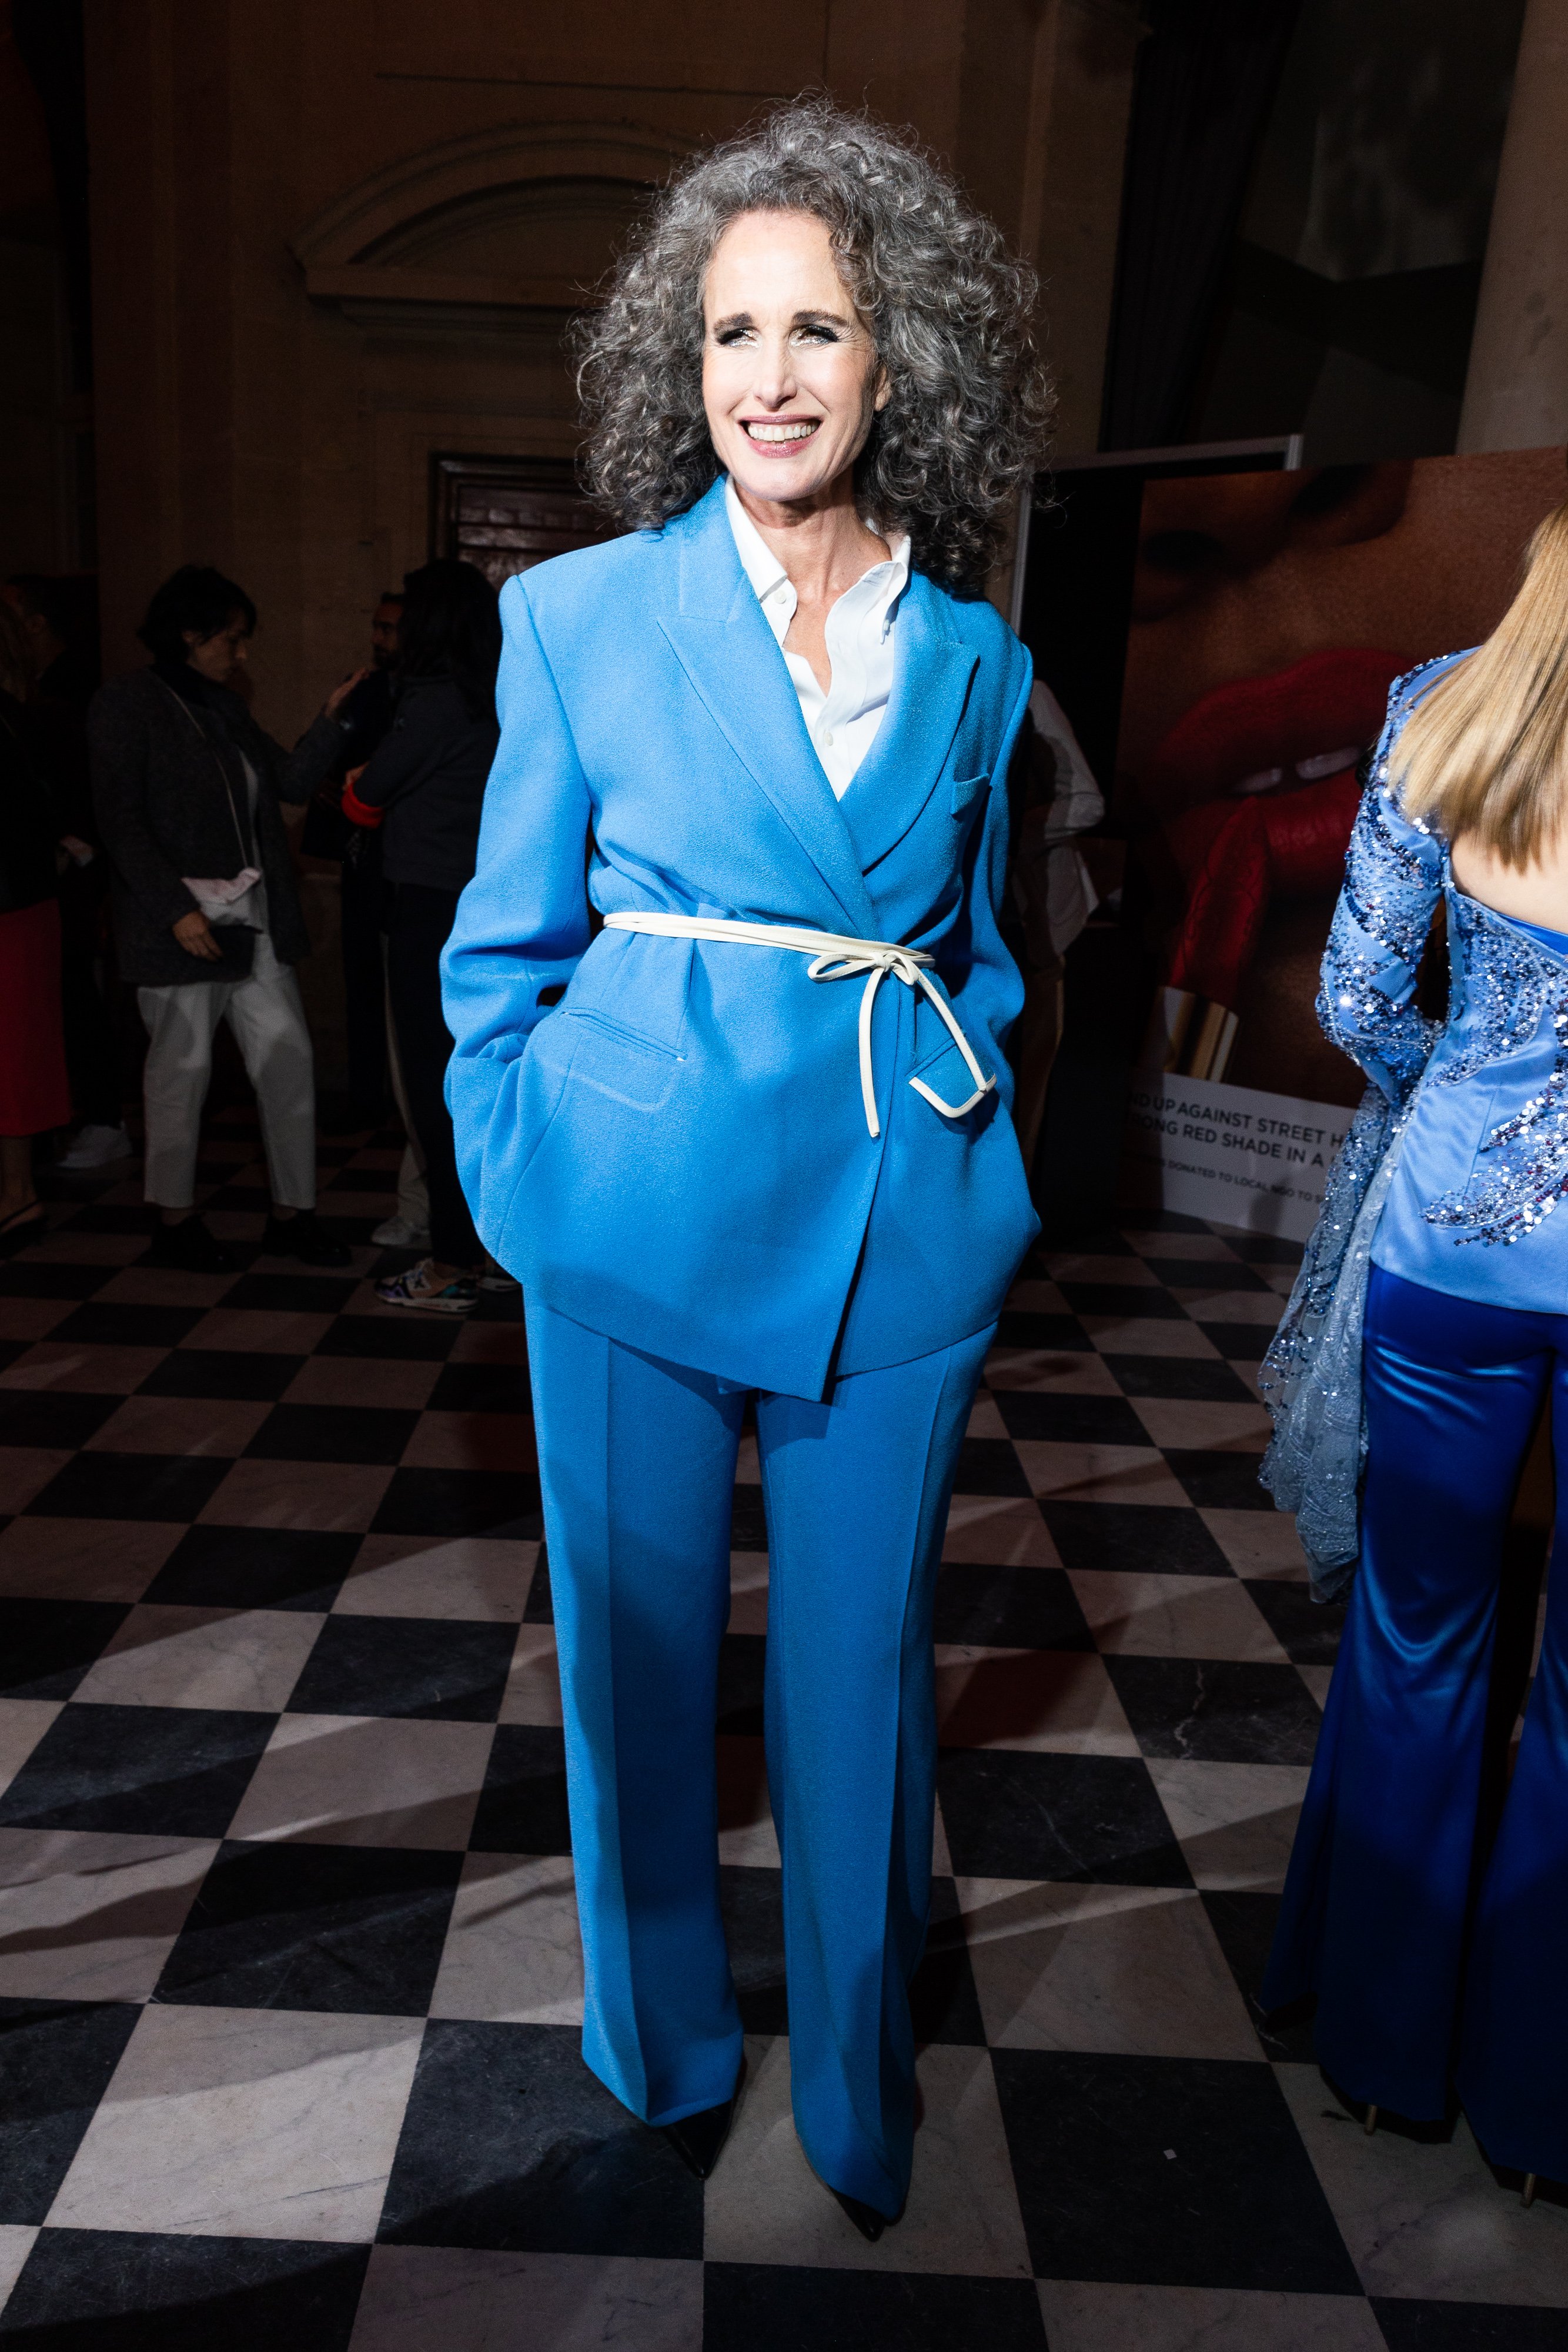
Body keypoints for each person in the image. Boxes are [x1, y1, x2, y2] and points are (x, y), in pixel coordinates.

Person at [442, 102, 1049, 2233]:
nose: (769, 374)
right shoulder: (582, 618)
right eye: (729, 332)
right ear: (676, 364)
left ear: (900, 365)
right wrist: (521, 1172)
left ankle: (857, 2091)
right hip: (625, 1211)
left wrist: (982, 1142)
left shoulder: (978, 654)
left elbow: (978, 938)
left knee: (859, 1668)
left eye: (819, 328)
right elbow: (496, 946)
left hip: (894, 1224)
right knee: (631, 1658)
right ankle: (664, 2042)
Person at [1260, 497, 1568, 2203]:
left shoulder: (1443, 707)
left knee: (1418, 1639)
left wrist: (1472, 1098)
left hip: (1451, 1249)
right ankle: (1540, 2106)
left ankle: (1382, 2055)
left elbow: (1359, 997)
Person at [88, 564, 360, 1271]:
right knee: (182, 1068)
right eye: (231, 640)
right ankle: (174, 1219)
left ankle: (292, 1214)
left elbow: (291, 784)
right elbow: (120, 819)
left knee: (289, 1057)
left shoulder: (223, 708)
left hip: (254, 916)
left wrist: (329, 722)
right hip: (181, 921)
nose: (241, 655)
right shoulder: (127, 703)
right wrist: (175, 909)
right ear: (190, 633)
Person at [347, 559, 500, 1312]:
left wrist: (350, 780)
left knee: (436, 1092)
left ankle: (451, 1262)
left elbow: (366, 795)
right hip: (489, 910)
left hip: (430, 915)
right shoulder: (499, 697)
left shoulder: (434, 704)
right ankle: (488, 1247)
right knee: (484, 1089)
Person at [301, 589, 403, 1130]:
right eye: (376, 626)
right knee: (362, 981)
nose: (378, 638)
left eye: (390, 628)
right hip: (363, 859)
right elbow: (315, 760)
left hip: (407, 867)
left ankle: (401, 1099)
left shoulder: (424, 697)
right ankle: (367, 1098)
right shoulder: (363, 691)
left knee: (405, 990)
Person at [0, 599, 71, 1235]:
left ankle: (17, 1193)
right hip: (23, 903)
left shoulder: (19, 721)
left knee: (14, 1054)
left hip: (14, 909)